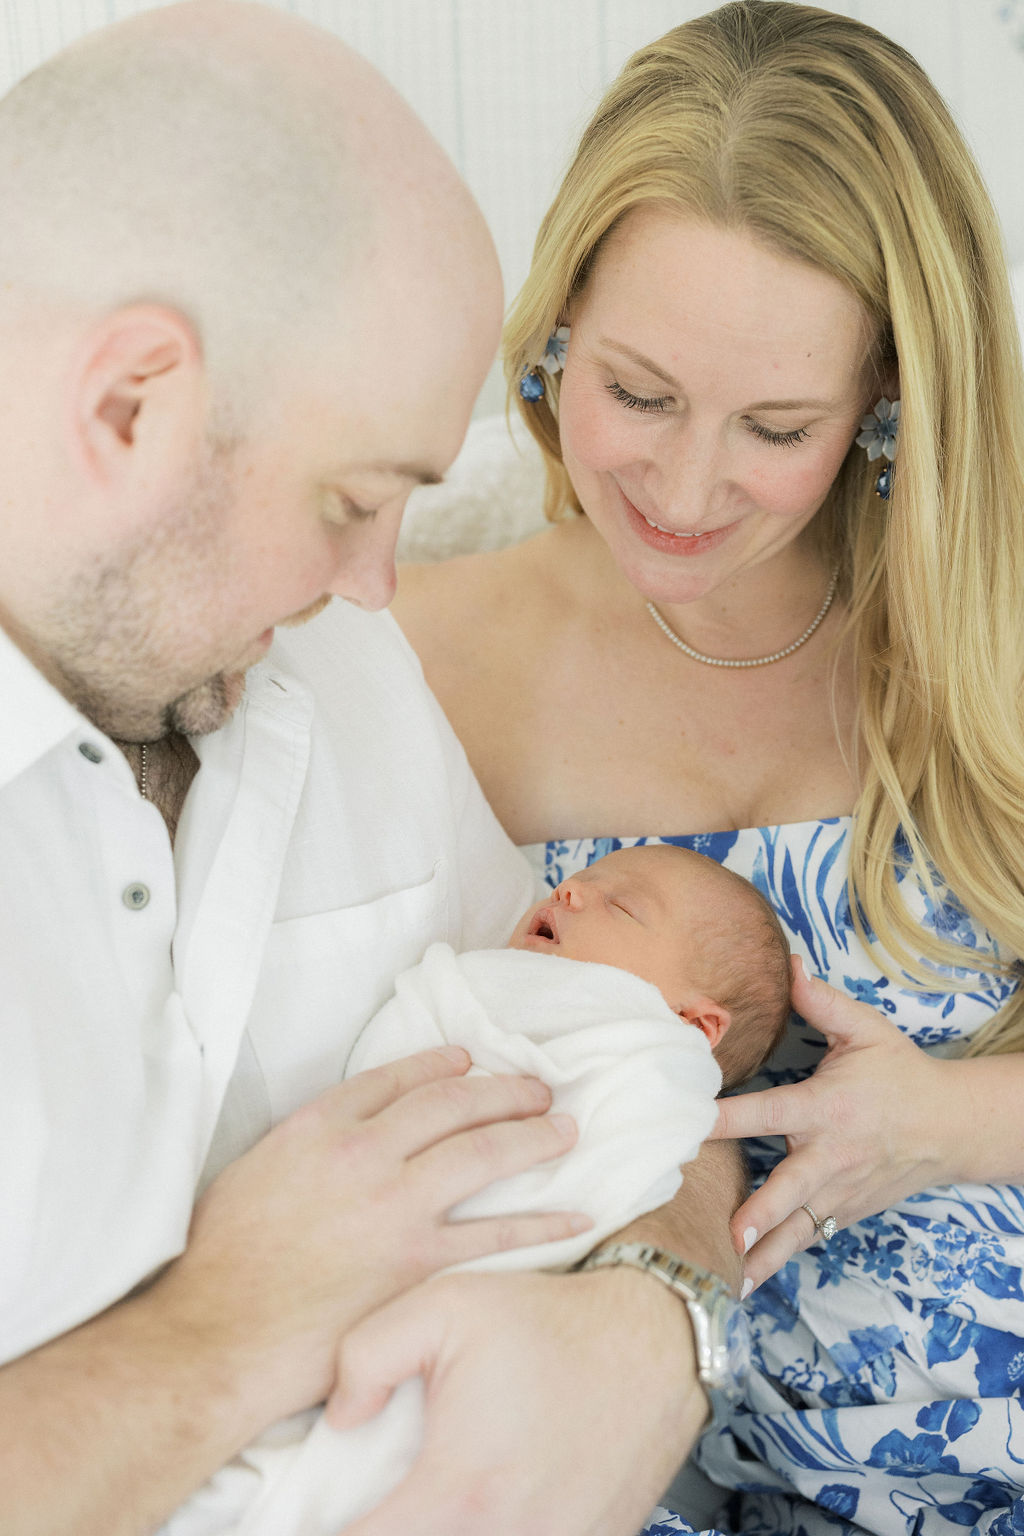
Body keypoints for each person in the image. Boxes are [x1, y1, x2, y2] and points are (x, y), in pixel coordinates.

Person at [0, 6, 747, 1534]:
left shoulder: (334, 671)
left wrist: (659, 1319)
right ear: (131, 402)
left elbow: (629, 1055)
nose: (380, 585)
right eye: (351, 497)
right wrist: (217, 1330)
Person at [393, 3, 1024, 1533]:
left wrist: (945, 1124)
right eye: (641, 393)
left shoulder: (991, 635)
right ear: (554, 329)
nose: (681, 490)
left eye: (777, 426)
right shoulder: (411, 645)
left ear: (885, 400)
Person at [162, 843, 790, 1535]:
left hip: (511, 1291)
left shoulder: (650, 1056)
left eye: (623, 905)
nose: (571, 893)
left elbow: (634, 1151)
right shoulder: (481, 975)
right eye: (579, 880)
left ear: (694, 1025)